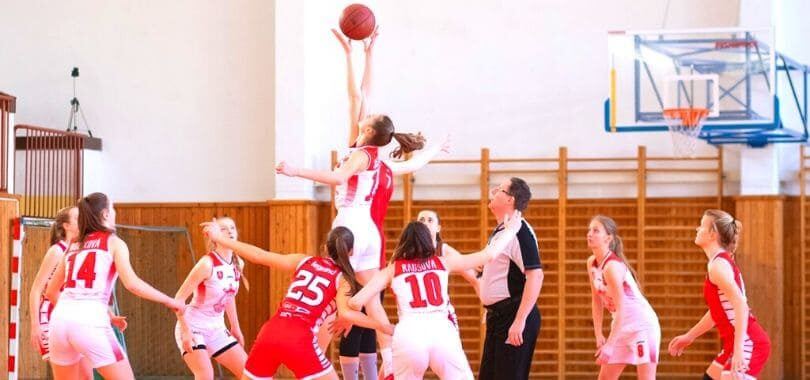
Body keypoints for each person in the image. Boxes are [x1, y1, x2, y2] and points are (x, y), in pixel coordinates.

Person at [330, 26, 450, 380]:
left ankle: (384, 357)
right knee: (368, 305)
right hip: (372, 235)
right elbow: (363, 97)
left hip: (354, 233)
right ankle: (388, 358)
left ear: (367, 133)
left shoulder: (363, 156)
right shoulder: (383, 161)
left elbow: (356, 97)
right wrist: (366, 52)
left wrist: (351, 55)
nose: (361, 118)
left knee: (341, 306)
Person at [201, 220, 394, 380]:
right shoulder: (343, 279)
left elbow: (259, 256)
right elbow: (346, 313)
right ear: (351, 253)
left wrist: (220, 239)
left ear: (325, 247)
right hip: (300, 339)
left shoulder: (303, 260)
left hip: (270, 332)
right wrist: (382, 326)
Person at [349, 210, 522, 379]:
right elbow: (489, 255)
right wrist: (510, 230)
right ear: (428, 240)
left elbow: (356, 303)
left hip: (409, 333)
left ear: (403, 241)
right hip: (442, 332)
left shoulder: (393, 268)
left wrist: (372, 322)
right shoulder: (443, 261)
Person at [45, 192, 184, 380]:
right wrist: (170, 301)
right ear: (105, 214)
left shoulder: (73, 246)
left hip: (59, 321)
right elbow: (132, 284)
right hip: (90, 322)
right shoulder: (113, 242)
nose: (114, 212)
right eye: (113, 208)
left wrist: (106, 314)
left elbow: (51, 291)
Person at [668, 210, 771, 380]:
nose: (697, 229)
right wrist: (689, 336)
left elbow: (740, 305)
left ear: (712, 234)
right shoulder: (717, 263)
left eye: (701, 226)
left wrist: (738, 350)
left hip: (747, 342)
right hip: (736, 342)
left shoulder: (718, 266)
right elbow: (718, 312)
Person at [477, 177, 543, 380]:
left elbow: (536, 275)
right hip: (498, 316)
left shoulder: (519, 230)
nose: (493, 191)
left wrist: (519, 320)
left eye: (499, 189)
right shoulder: (502, 230)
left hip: (513, 316)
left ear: (510, 200)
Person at [586, 215, 660, 379]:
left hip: (642, 327)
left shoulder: (612, 267)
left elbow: (622, 308)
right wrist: (599, 334)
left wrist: (610, 344)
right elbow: (596, 301)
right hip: (621, 326)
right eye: (589, 230)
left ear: (608, 238)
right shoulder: (591, 263)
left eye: (596, 230)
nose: (590, 234)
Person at [174, 217, 248, 379]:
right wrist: (185, 331)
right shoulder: (207, 264)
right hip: (193, 326)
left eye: (232, 228)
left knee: (249, 373)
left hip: (217, 328)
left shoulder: (238, 264)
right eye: (223, 229)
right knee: (206, 375)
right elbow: (178, 299)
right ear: (213, 236)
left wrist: (235, 327)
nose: (229, 231)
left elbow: (229, 297)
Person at [416, 209, 481, 327]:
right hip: (415, 315)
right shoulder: (406, 252)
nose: (425, 223)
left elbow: (475, 279)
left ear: (438, 228)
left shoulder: (444, 250)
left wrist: (488, 306)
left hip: (441, 316)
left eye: (430, 220)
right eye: (421, 220)